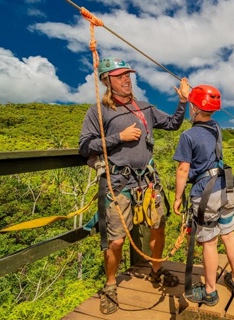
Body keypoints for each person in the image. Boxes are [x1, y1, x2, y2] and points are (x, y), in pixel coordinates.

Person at [79, 57, 189, 314]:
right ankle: (110, 284)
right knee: (116, 241)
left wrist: (183, 101)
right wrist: (119, 137)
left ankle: (156, 270)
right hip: (119, 183)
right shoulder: (99, 111)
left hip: (147, 182)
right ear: (106, 81)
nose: (126, 79)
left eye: (127, 75)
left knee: (157, 227)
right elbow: (85, 146)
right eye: (119, 76)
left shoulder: (145, 107)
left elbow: (173, 124)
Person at [173, 85, 234, 306]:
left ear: (193, 108)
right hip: (225, 187)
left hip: (205, 194)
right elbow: (203, 117)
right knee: (229, 235)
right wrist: (192, 98)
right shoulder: (216, 127)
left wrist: (178, 198)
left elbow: (183, 170)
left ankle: (210, 291)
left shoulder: (188, 136)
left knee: (210, 242)